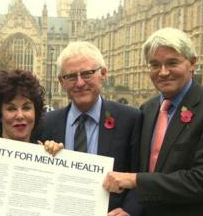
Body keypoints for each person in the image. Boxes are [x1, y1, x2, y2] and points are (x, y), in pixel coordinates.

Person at [103, 27, 203, 216]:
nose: (163, 72)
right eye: (155, 65)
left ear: (192, 63)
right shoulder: (148, 109)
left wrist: (135, 180)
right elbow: (146, 169)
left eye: (172, 63)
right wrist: (130, 210)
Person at [33, 41, 143, 216]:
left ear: (103, 74)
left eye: (87, 74)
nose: (80, 83)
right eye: (70, 76)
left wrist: (128, 211)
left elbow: (142, 175)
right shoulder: (45, 123)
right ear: (61, 81)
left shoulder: (131, 119)